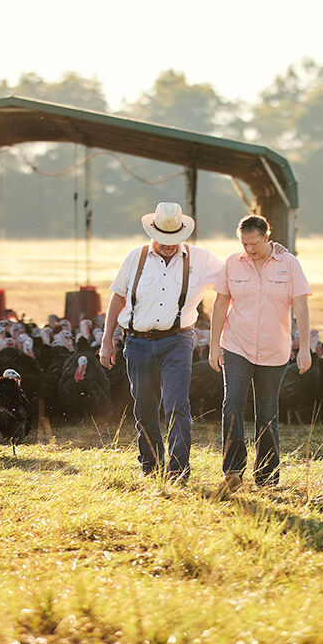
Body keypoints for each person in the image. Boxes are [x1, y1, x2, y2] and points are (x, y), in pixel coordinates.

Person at [98, 202, 223, 482]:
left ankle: (178, 469)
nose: (169, 246)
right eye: (164, 240)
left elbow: (234, 275)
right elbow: (117, 297)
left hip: (177, 340)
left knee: (177, 403)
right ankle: (150, 465)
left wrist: (269, 253)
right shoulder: (135, 257)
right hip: (137, 342)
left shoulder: (200, 259)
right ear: (152, 232)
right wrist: (107, 341)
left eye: (174, 240)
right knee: (143, 405)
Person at [208, 215, 312, 492]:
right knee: (232, 404)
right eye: (244, 243)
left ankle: (267, 478)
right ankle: (233, 471)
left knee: (267, 414)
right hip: (236, 344)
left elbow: (301, 306)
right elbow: (220, 304)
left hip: (274, 349)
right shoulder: (232, 263)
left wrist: (304, 349)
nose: (249, 249)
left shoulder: (289, 265)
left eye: (254, 243)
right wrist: (214, 344)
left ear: (267, 237)